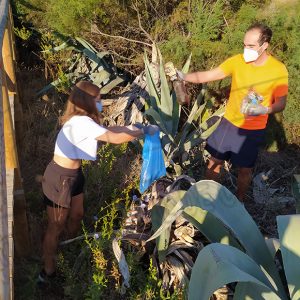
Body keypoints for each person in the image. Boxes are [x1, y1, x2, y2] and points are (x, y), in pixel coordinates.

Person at [39, 80, 158, 283]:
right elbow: (113, 137)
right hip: (60, 179)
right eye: (98, 99)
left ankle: (68, 245)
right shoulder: (81, 122)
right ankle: (48, 270)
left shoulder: (83, 119)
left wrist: (134, 126)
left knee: (77, 215)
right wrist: (143, 132)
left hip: (75, 176)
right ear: (86, 101)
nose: (101, 102)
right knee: (55, 226)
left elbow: (113, 130)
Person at [174, 23, 288, 201]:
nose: (246, 50)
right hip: (229, 123)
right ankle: (205, 198)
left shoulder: (278, 69)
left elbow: (281, 103)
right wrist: (183, 76)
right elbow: (210, 75)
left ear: (264, 45)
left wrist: (265, 109)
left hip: (252, 130)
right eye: (244, 45)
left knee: (244, 170)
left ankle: (239, 201)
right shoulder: (237, 61)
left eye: (251, 46)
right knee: (214, 162)